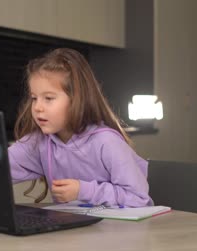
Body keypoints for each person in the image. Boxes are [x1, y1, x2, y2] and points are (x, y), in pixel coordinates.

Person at [8, 48, 153, 207]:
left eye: (48, 98)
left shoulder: (107, 142)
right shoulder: (39, 142)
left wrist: (83, 191)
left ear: (77, 99)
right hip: (78, 230)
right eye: (34, 98)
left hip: (121, 230)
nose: (37, 107)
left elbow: (139, 199)